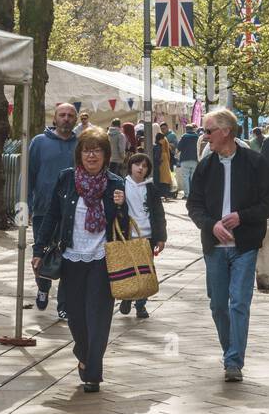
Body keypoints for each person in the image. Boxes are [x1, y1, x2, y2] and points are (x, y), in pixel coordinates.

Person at [32, 128, 129, 393]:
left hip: (102, 258)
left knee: (98, 317)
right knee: (74, 314)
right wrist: (38, 250)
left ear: (105, 155)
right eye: (86, 150)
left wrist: (121, 206)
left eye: (97, 150)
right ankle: (84, 354)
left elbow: (123, 228)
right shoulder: (66, 179)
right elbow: (52, 216)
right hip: (71, 257)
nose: (91, 155)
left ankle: (93, 373)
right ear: (79, 155)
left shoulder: (115, 184)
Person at [187, 108, 269, 382]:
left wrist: (242, 217)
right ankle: (231, 350)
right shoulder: (205, 166)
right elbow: (194, 205)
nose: (205, 137)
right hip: (214, 248)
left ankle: (233, 361)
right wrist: (211, 225)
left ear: (226, 131)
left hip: (244, 246)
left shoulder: (255, 163)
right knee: (218, 305)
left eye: (208, 131)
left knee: (239, 302)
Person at [28, 103, 79, 316]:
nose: (66, 118)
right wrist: (25, 206)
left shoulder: (81, 144)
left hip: (72, 211)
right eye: (62, 115)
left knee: (70, 257)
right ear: (55, 118)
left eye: (70, 115)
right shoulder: (39, 142)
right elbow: (28, 174)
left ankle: (64, 304)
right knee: (42, 252)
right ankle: (43, 287)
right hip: (43, 209)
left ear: (75, 120)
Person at [119, 152, 166, 320]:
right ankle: (127, 297)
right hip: (127, 236)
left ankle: (141, 304)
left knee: (145, 272)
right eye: (137, 164)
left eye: (144, 166)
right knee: (128, 271)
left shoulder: (151, 188)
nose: (140, 168)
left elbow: (159, 214)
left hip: (147, 237)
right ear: (130, 166)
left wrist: (161, 237)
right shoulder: (121, 185)